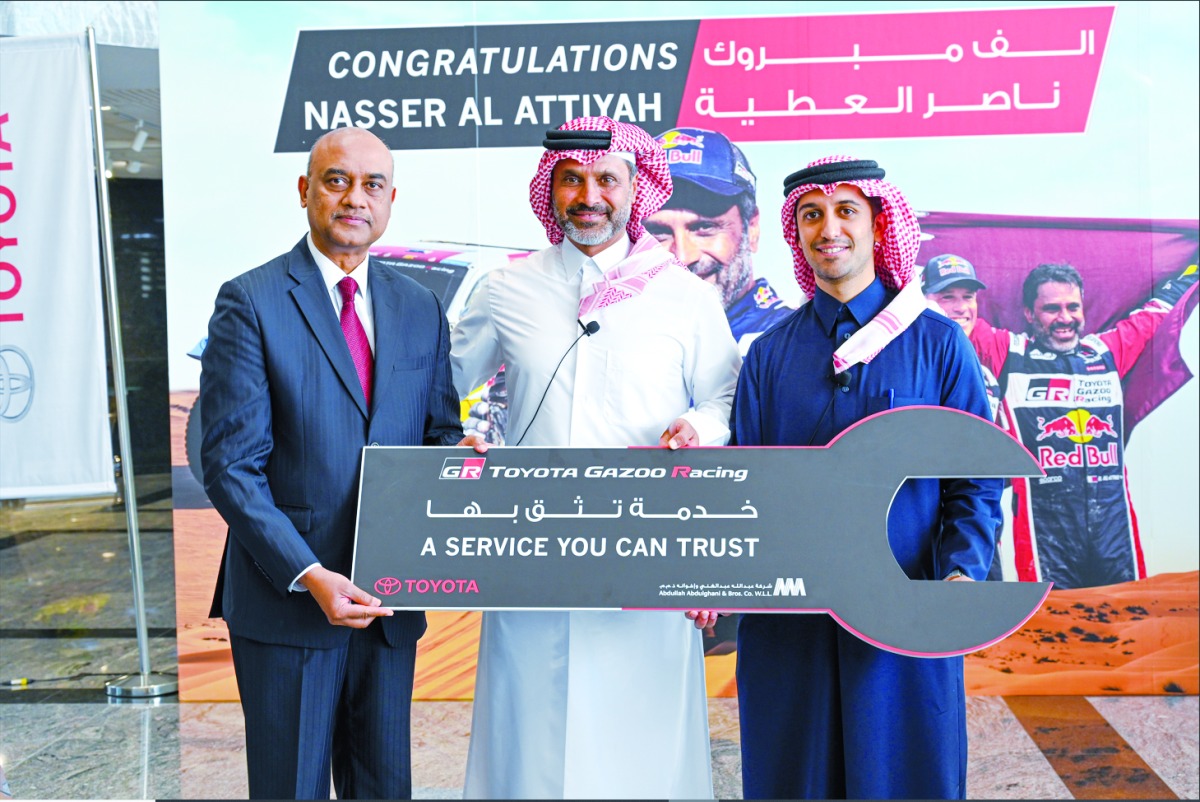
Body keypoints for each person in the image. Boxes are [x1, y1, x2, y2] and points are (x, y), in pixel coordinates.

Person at [450, 116, 741, 799]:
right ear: (549, 190)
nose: (589, 197)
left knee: (639, 742)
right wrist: (455, 440)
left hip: (647, 549)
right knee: (528, 737)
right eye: (572, 180)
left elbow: (725, 398)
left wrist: (697, 426)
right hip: (529, 549)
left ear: (635, 190)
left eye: (607, 179)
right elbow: (438, 382)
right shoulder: (507, 288)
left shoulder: (686, 295)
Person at [199, 127, 465, 799]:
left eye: (373, 185)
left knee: (384, 787)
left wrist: (460, 462)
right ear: (305, 190)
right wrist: (309, 574)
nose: (355, 199)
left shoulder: (420, 307)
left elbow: (438, 433)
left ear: (392, 199)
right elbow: (231, 466)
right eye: (337, 180)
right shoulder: (251, 301)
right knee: (291, 788)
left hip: (389, 601)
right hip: (288, 600)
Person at [726, 156, 1001, 799]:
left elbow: (975, 477)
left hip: (904, 618)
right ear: (794, 232)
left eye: (846, 211)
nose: (829, 230)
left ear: (879, 225)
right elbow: (745, 485)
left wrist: (961, 574)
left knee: (906, 780)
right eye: (811, 216)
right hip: (790, 624)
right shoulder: (769, 353)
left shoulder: (937, 343)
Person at [967, 262, 1196, 589]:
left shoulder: (1107, 351)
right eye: (1051, 309)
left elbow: (1162, 308)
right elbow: (958, 315)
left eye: (1073, 307)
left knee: (1128, 614)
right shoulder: (1009, 352)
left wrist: (1194, 264)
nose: (1065, 318)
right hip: (1043, 530)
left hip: (1114, 527)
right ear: (1029, 314)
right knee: (1052, 619)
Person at [645, 127, 792, 354]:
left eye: (704, 228)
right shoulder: (617, 337)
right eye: (658, 233)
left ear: (752, 228)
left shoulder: (795, 343)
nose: (683, 257)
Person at [923, 253, 1005, 581]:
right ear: (924, 299)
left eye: (968, 297)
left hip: (978, 518)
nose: (961, 308)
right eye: (947, 297)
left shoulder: (987, 369)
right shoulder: (916, 364)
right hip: (929, 521)